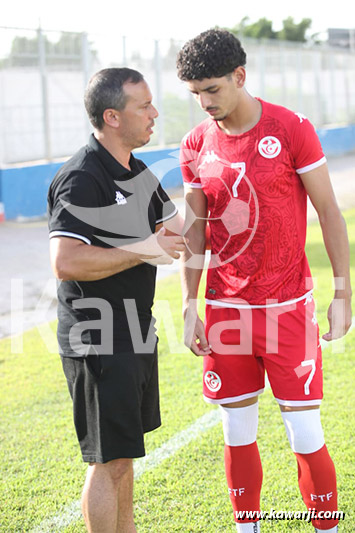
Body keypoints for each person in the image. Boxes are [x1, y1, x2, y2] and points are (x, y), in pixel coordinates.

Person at [176, 29, 352, 533]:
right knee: (236, 430)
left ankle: (327, 527)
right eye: (195, 94)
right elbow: (195, 229)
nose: (204, 102)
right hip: (226, 310)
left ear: (240, 76)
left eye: (212, 89)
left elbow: (329, 213)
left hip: (287, 307)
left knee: (304, 431)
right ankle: (246, 528)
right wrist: (190, 303)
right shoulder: (195, 144)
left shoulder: (291, 128)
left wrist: (343, 293)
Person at [47, 67, 185, 533]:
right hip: (98, 337)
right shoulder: (82, 177)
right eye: (142, 106)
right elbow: (65, 261)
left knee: (123, 458)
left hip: (134, 329)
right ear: (112, 116)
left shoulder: (138, 169)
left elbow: (174, 230)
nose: (154, 114)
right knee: (108, 462)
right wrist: (147, 249)